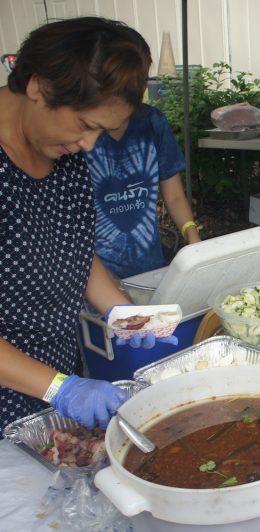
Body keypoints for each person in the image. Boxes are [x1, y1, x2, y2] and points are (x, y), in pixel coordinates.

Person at [0, 17, 154, 433]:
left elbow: (72, 249)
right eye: (87, 125)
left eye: (101, 132)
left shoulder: (63, 153)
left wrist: (118, 309)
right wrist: (60, 389)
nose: (89, 144)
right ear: (37, 86)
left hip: (58, 378)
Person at [85, 103, 200, 280]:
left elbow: (175, 196)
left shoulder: (152, 121)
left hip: (151, 269)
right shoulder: (80, 133)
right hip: (96, 276)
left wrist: (193, 237)